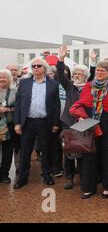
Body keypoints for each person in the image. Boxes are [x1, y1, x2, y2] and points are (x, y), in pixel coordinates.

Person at [70, 60, 108, 199]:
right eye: (98, 70)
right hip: (90, 127)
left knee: (107, 158)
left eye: (103, 70)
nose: (100, 73)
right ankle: (89, 188)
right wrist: (82, 117)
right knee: (89, 157)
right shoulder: (88, 86)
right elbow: (81, 104)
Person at [13, 58, 61, 189]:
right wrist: (17, 123)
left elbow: (57, 105)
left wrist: (55, 123)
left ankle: (47, 174)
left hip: (45, 122)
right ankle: (22, 177)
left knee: (47, 150)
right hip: (28, 122)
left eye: (38, 65)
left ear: (44, 68)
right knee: (25, 151)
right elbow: (18, 104)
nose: (35, 67)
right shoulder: (24, 83)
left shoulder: (53, 84)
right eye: (33, 66)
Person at [57, 45, 89, 190]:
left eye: (80, 73)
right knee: (68, 151)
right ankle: (69, 178)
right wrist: (61, 59)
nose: (77, 75)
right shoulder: (69, 85)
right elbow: (60, 75)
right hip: (68, 122)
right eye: (75, 73)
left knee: (82, 150)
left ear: (85, 76)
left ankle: (83, 177)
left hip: (83, 124)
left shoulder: (90, 87)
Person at [0, 69, 18, 183]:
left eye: (4, 77)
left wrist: (9, 109)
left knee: (7, 151)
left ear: (9, 79)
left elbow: (20, 107)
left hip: (9, 125)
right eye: (0, 77)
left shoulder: (14, 91)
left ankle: (4, 175)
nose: (1, 79)